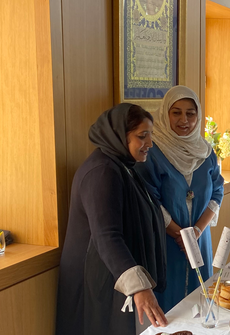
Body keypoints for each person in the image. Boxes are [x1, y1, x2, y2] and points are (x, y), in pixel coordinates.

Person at [56, 103, 168, 335]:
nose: (149, 143)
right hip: (96, 281)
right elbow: (107, 236)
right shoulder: (102, 172)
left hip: (111, 275)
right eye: (142, 136)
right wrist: (139, 287)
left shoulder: (121, 165)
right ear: (118, 135)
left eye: (151, 135)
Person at [136, 85, 224, 312]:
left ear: (198, 116)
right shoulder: (153, 152)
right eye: (176, 112)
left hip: (199, 239)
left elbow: (217, 192)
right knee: (169, 306)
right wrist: (180, 235)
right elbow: (149, 199)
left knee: (201, 298)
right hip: (167, 242)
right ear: (165, 114)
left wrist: (196, 232)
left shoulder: (205, 152)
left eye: (190, 113)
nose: (184, 120)